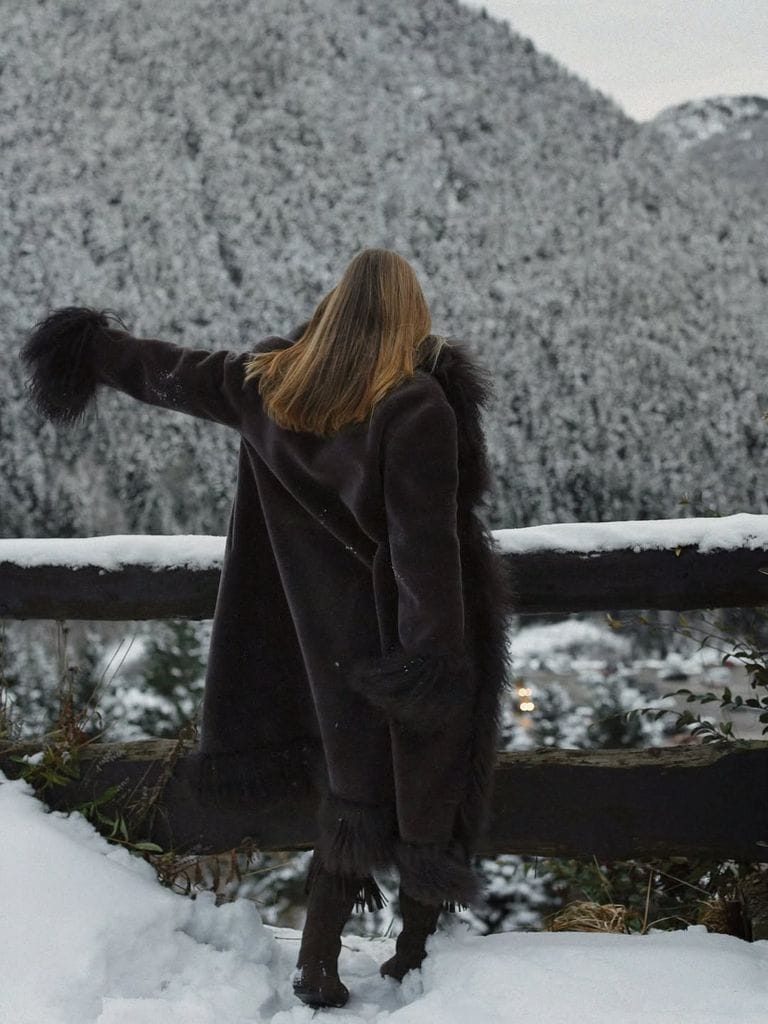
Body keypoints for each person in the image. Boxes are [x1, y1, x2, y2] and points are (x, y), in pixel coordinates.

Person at [20, 248, 515, 1009]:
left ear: (331, 311)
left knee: (350, 797)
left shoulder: (266, 385)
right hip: (397, 636)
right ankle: (412, 961)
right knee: (427, 787)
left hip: (310, 638)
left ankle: (316, 967)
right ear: (412, 319)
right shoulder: (415, 407)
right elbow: (424, 548)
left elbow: (165, 371)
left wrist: (90, 348)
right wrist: (436, 662)